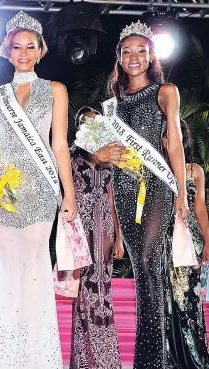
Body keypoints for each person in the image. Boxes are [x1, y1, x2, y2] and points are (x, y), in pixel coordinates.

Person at [0, 11, 76, 369]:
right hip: (5, 193)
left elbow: (59, 144)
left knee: (35, 267)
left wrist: (70, 193)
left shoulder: (56, 89)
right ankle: (2, 355)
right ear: (7, 51)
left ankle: (36, 356)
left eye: (31, 46)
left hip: (43, 190)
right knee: (7, 266)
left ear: (41, 50)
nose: (24, 52)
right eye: (17, 47)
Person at [107, 21, 188, 369]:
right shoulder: (113, 106)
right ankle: (151, 355)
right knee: (142, 270)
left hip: (156, 187)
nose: (134, 57)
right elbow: (108, 158)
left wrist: (182, 193)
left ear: (151, 55)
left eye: (141, 50)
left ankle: (157, 358)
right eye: (128, 52)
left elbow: (175, 147)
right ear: (120, 60)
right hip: (126, 189)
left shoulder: (165, 91)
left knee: (149, 261)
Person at [69, 107, 124, 369]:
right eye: (84, 122)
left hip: (104, 231)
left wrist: (120, 237)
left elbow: (113, 200)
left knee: (103, 292)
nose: (89, 125)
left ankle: (106, 359)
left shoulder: (108, 158)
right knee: (84, 293)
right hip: (81, 232)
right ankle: (84, 358)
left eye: (94, 122)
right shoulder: (71, 158)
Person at [162, 121, 209, 369]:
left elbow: (200, 208)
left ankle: (193, 355)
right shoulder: (157, 171)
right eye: (165, 137)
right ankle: (172, 357)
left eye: (173, 137)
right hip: (164, 245)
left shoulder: (195, 170)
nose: (168, 141)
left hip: (190, 245)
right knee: (167, 302)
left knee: (189, 300)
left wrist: (208, 241)